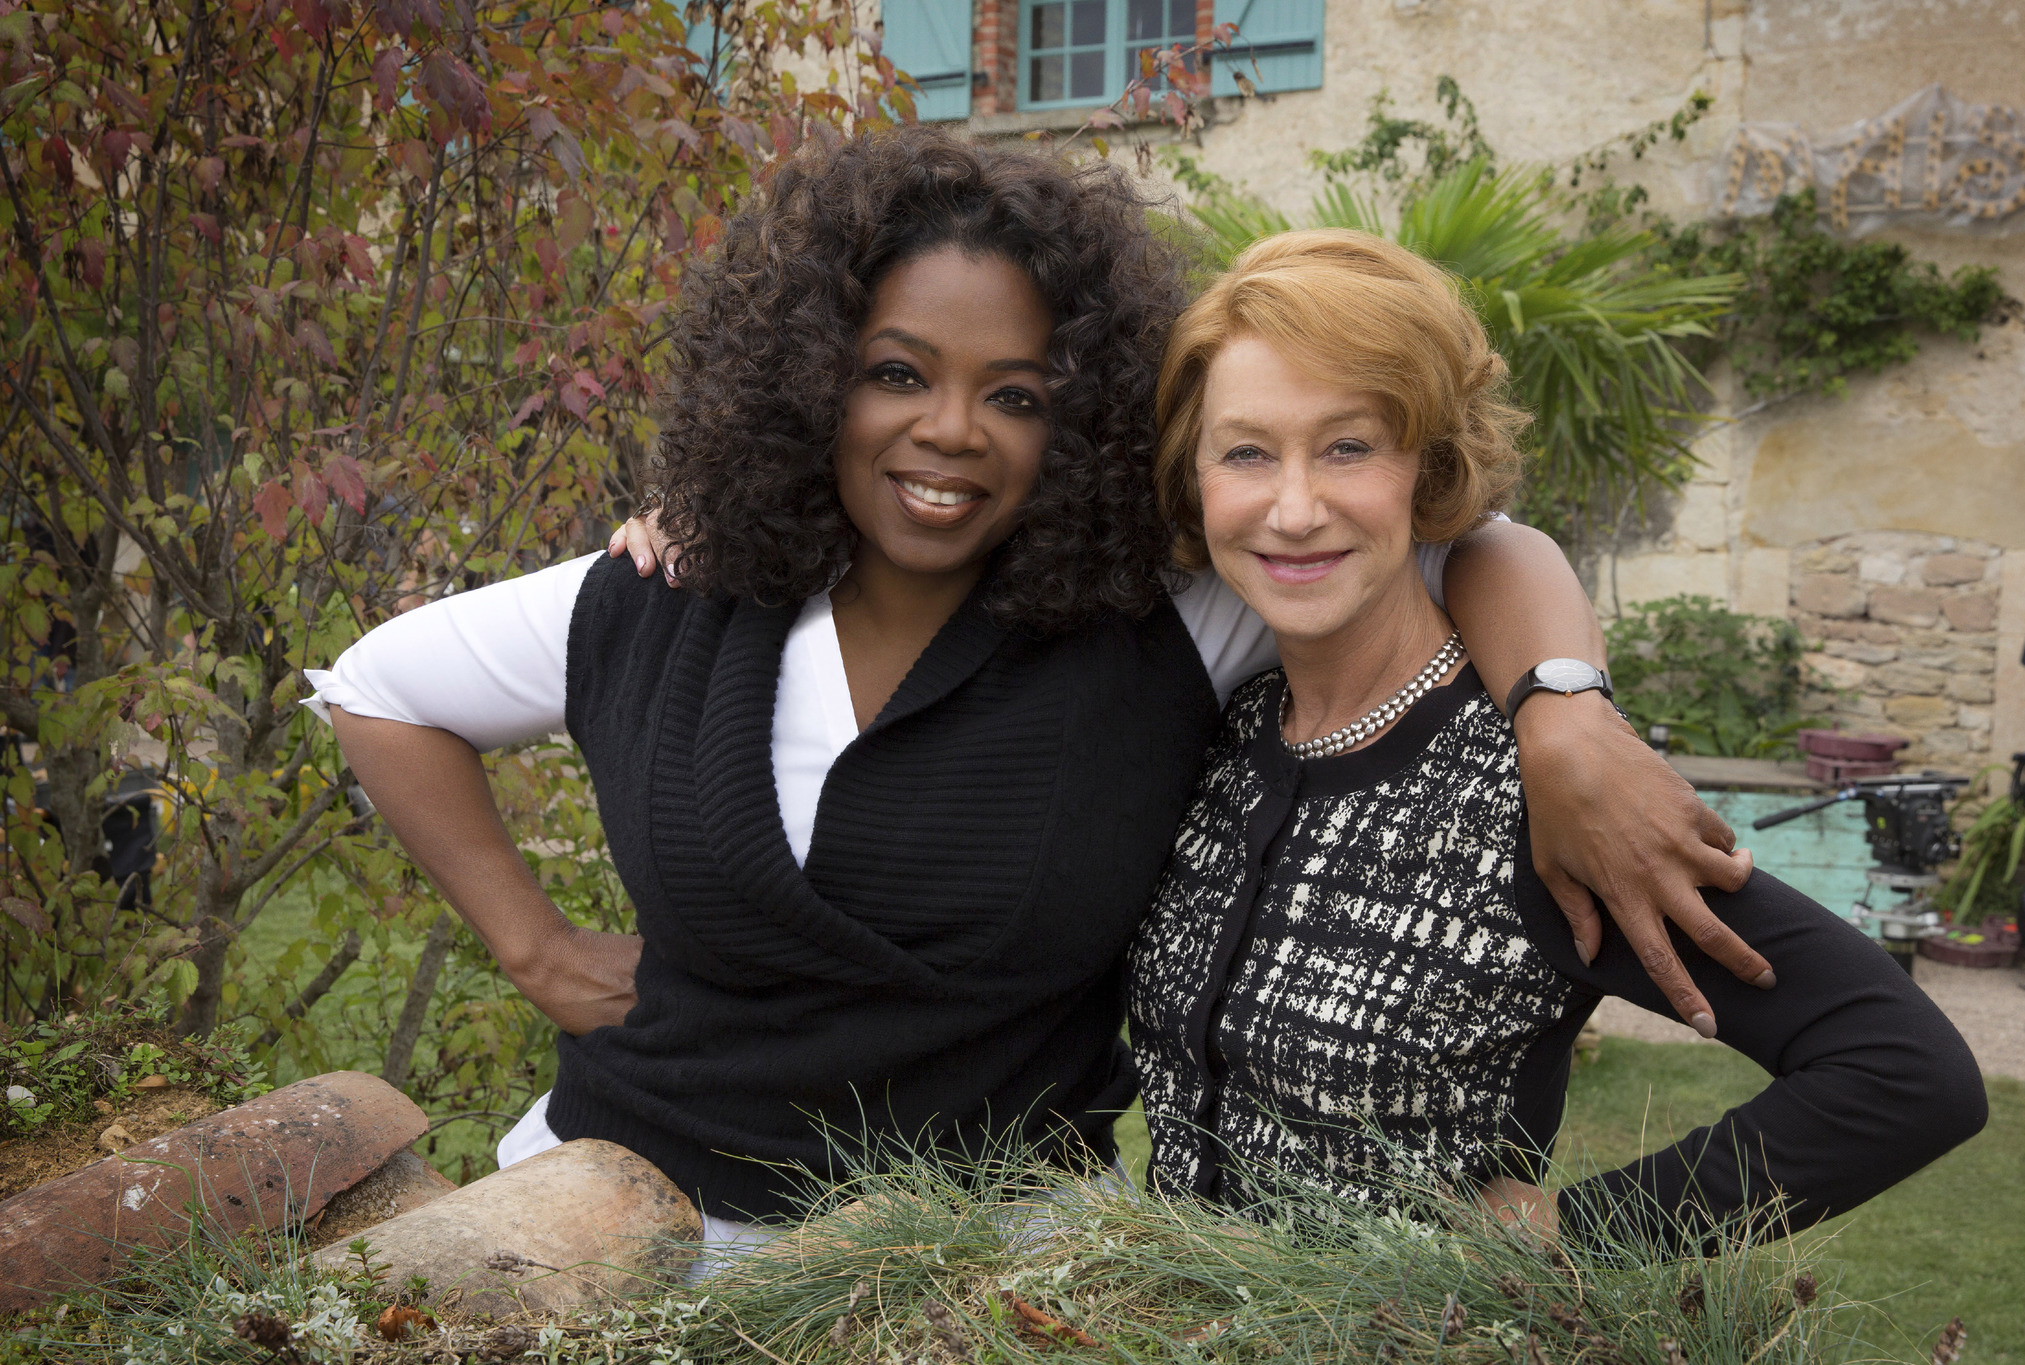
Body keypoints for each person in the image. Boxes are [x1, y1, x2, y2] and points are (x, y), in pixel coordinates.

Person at [313, 128, 1767, 1257]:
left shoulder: (1165, 623)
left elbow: (1475, 542)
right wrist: (537, 948)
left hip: (977, 1262)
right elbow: (378, 686)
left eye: (1015, 393)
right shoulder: (666, 597)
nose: (950, 432)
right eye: (897, 373)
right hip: (607, 1215)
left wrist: (1565, 712)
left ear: (1078, 412)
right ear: (810, 378)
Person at [1125, 228, 1986, 1249]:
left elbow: (1900, 1072)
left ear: (1429, 471)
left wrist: (1579, 1235)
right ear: (1193, 477)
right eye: (1245, 452)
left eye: (1348, 446)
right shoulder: (1224, 739)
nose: (1294, 505)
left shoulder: (1534, 792)